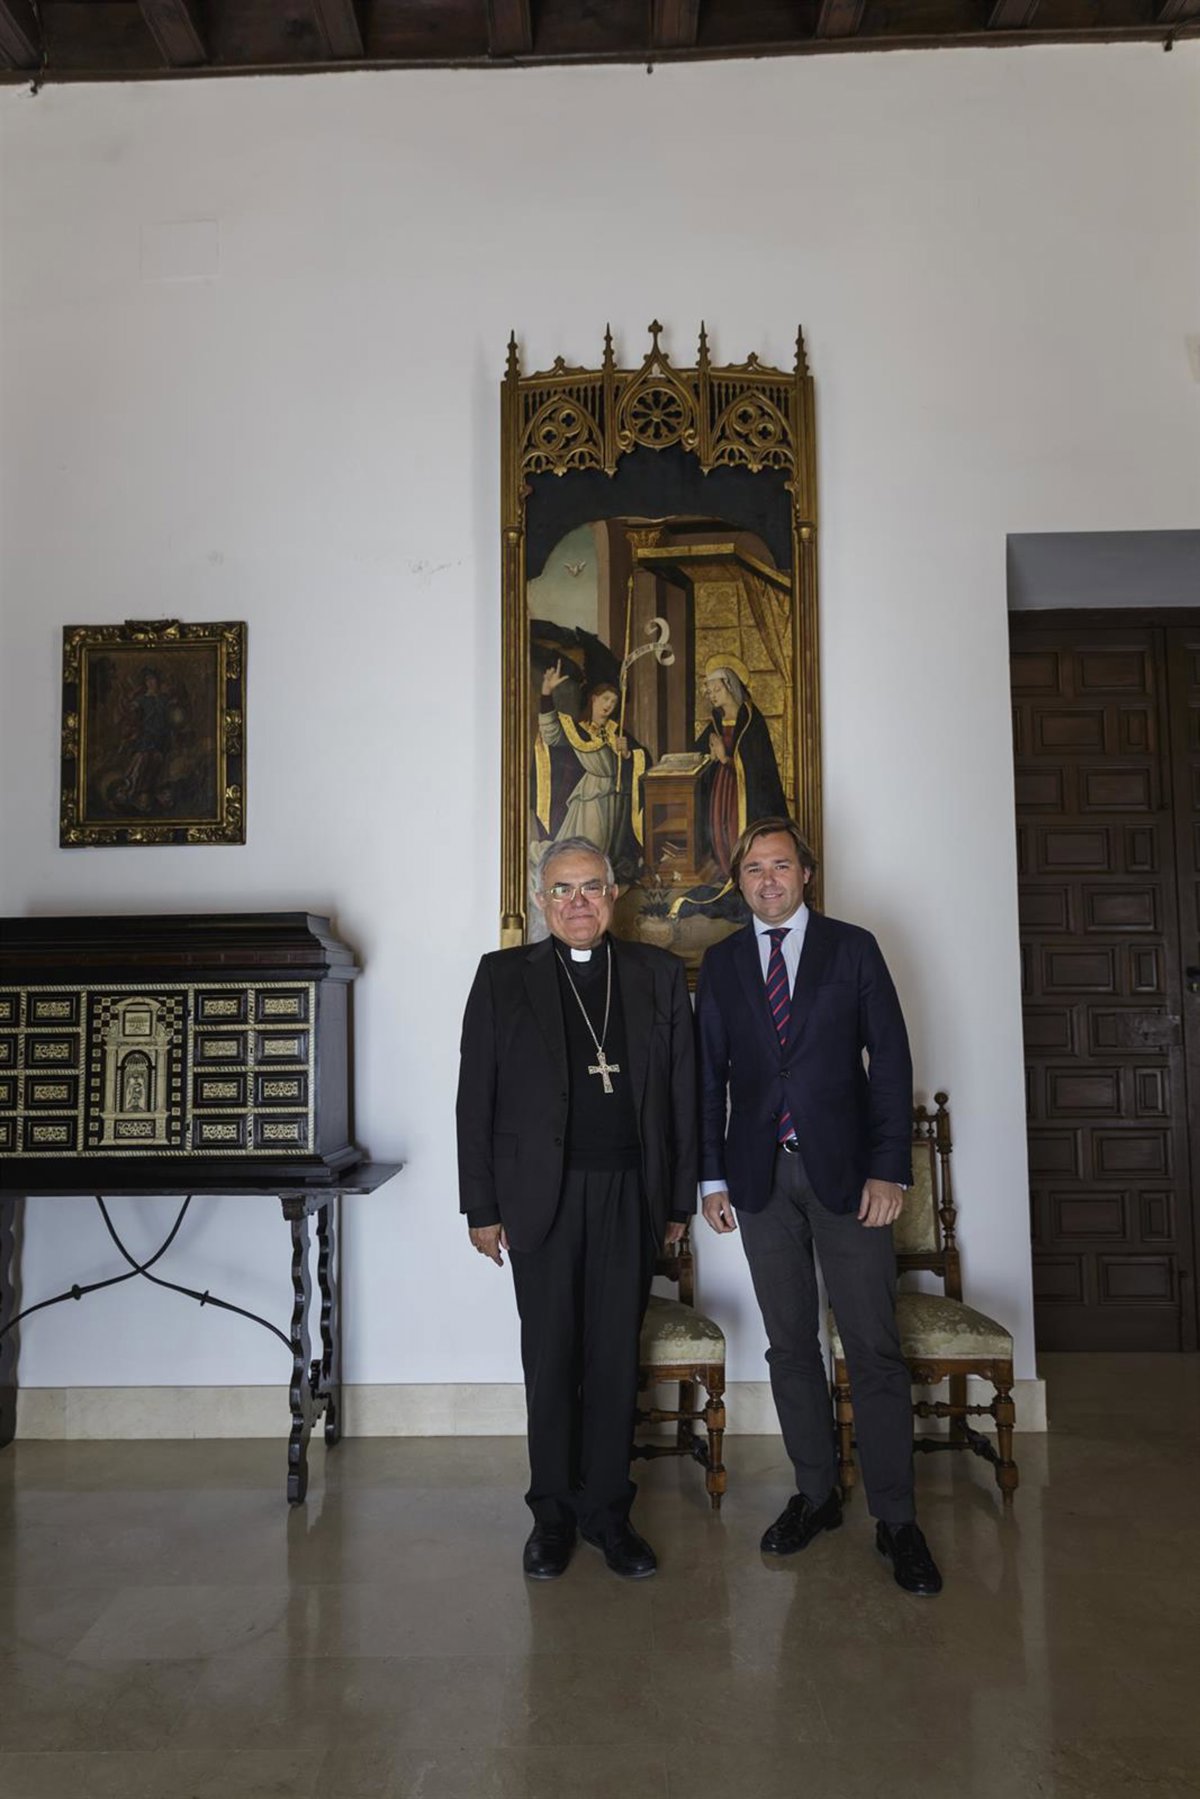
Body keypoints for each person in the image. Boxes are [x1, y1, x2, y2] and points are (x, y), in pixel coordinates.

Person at [695, 817, 943, 1596]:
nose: (767, 880)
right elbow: (706, 1078)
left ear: (805, 872)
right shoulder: (723, 962)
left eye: (780, 865)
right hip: (759, 1180)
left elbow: (890, 1058)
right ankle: (816, 1493)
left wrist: (890, 1171)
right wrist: (710, 1179)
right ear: (740, 882)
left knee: (872, 1347)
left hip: (849, 1179)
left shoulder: (853, 948)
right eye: (753, 869)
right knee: (790, 1345)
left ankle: (897, 1519)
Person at [457, 836, 697, 1581]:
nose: (577, 902)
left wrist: (678, 1200)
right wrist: (481, 1206)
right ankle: (552, 1516)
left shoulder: (656, 974)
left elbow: (683, 1095)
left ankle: (609, 1513)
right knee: (551, 1355)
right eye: (561, 890)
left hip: (630, 1191)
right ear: (540, 901)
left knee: (614, 1356)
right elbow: (474, 1100)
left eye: (590, 886)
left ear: (614, 894)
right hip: (541, 1196)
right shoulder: (502, 977)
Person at [535, 662, 649, 880]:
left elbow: (642, 758)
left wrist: (628, 754)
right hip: (591, 797)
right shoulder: (578, 730)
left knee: (605, 853)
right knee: (589, 849)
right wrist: (546, 694)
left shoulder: (616, 732)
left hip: (614, 801)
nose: (609, 705)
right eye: (605, 699)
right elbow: (550, 734)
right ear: (594, 699)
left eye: (614, 702)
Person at [694, 658, 787, 879]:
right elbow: (698, 752)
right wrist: (710, 755)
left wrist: (725, 758)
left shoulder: (751, 720)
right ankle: (730, 876)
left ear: (730, 686)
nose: (712, 695)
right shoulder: (716, 721)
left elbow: (758, 765)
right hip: (722, 787)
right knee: (720, 829)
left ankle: (747, 873)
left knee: (739, 830)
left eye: (717, 689)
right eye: (709, 692)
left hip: (747, 793)